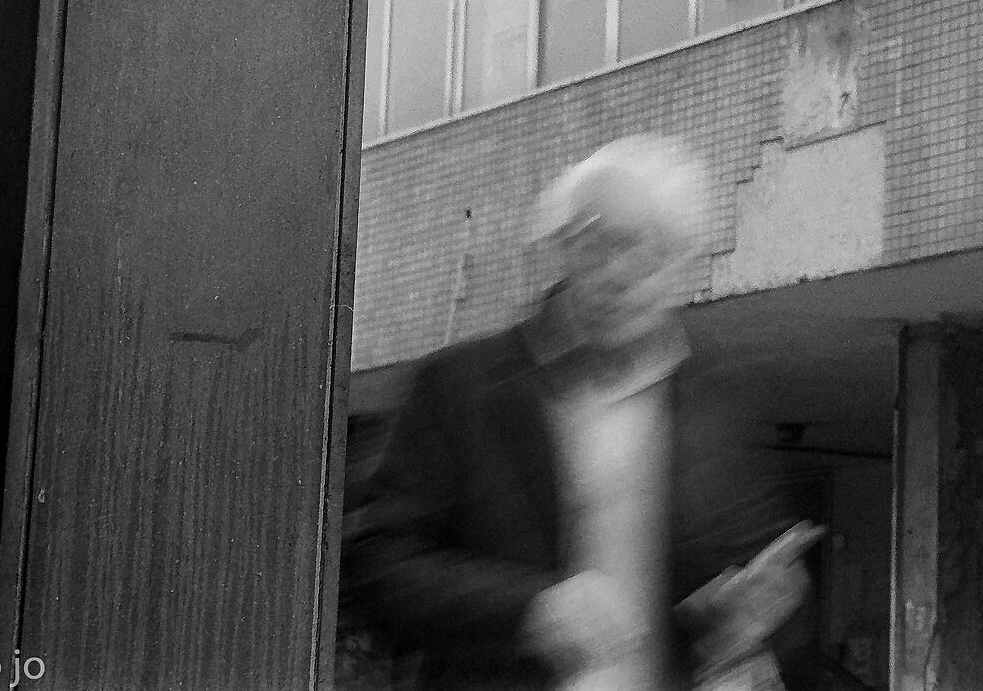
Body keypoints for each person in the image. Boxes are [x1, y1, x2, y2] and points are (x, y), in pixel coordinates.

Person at [345, 135, 814, 691]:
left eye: (649, 248)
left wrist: (752, 612)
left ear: (682, 264)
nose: (619, 271)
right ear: (563, 247)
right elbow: (379, 571)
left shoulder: (719, 398)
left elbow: (755, 579)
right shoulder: (459, 388)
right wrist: (531, 609)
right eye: (598, 241)